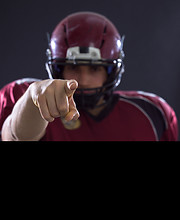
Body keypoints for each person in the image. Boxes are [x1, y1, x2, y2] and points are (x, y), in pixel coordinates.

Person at [0, 11, 178, 141]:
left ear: (111, 71)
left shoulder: (152, 113)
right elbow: (14, 137)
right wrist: (33, 100)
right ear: (58, 68)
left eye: (94, 69)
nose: (82, 80)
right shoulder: (26, 95)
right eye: (73, 67)